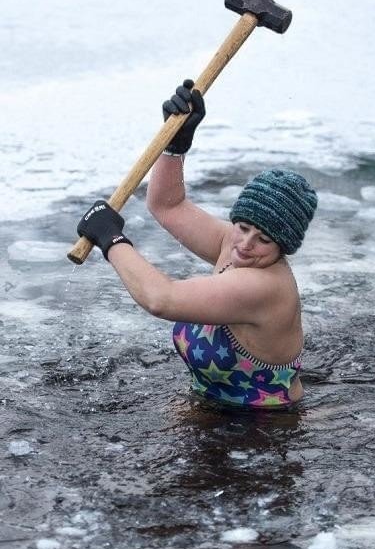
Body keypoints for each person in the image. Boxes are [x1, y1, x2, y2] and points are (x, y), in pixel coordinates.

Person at [77, 80, 318, 410]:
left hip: (266, 429)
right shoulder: (231, 244)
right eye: (243, 227)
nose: (245, 244)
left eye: (264, 239)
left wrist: (112, 240)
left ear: (284, 247)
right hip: (216, 410)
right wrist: (174, 145)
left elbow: (162, 299)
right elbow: (168, 205)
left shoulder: (262, 285)